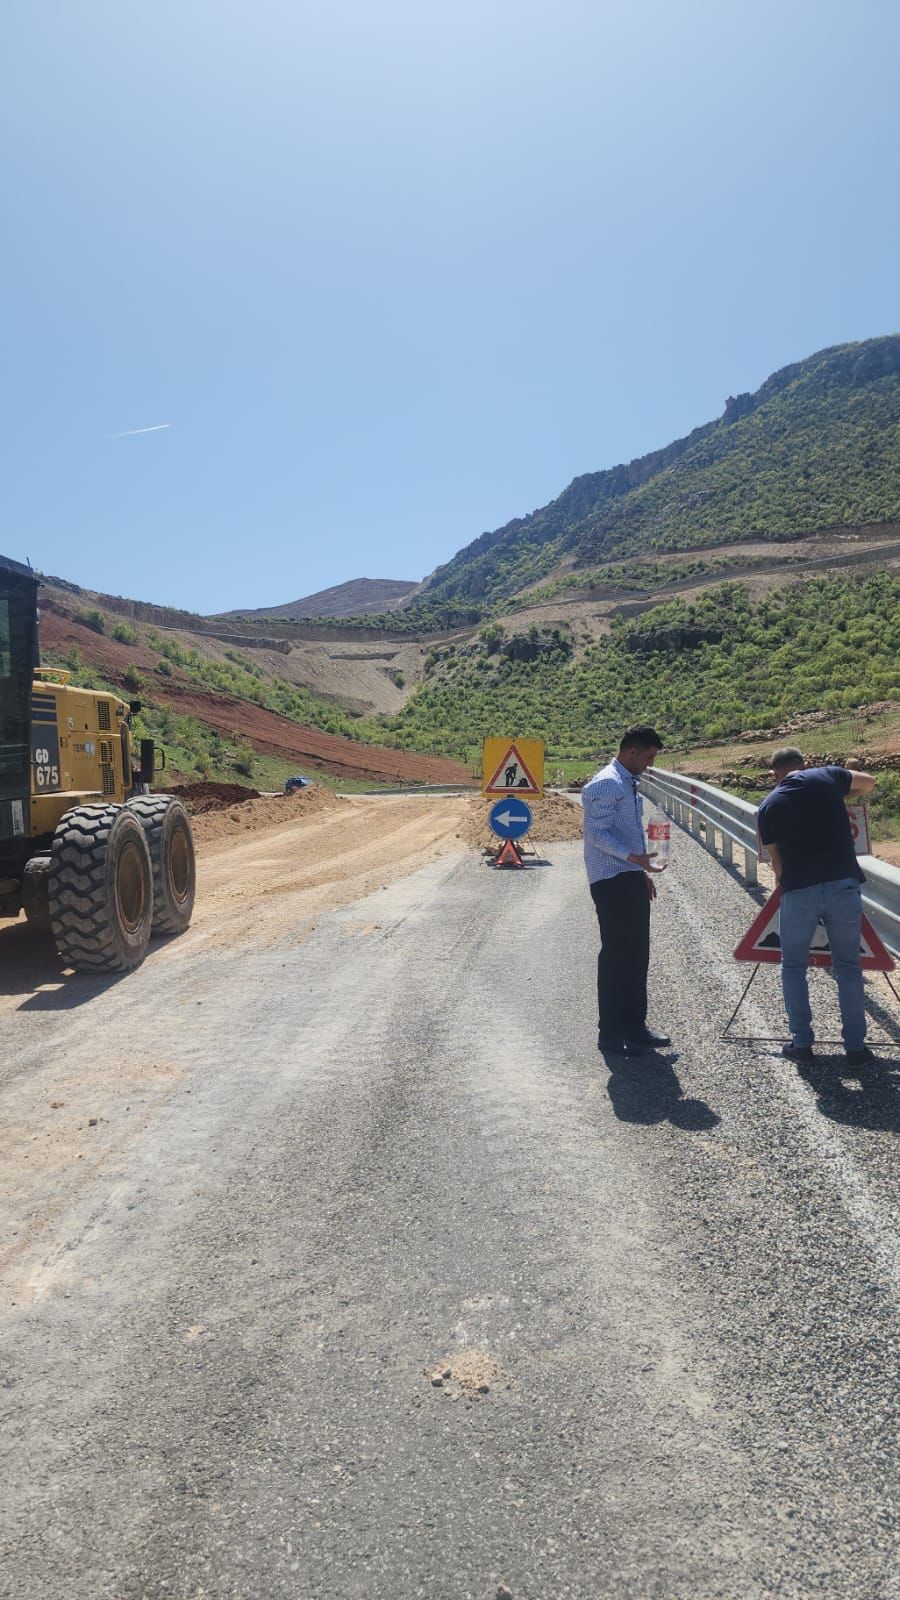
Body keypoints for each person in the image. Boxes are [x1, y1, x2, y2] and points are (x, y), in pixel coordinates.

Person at [756, 747, 877, 1065]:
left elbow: (778, 866)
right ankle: (855, 1048)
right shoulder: (826, 776)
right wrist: (840, 796)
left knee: (794, 967)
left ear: (774, 775)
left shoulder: (768, 806)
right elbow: (868, 781)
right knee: (849, 967)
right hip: (843, 886)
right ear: (803, 765)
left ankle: (802, 1045)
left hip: (800, 891)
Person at [582, 725, 670, 1055]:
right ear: (631, 752)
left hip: (627, 877)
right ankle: (611, 1033)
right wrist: (633, 858)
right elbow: (597, 835)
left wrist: (638, 871)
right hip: (611, 881)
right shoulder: (607, 782)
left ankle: (635, 1028)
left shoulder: (625, 782)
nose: (648, 764)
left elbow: (625, 832)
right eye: (647, 757)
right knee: (618, 957)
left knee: (636, 956)